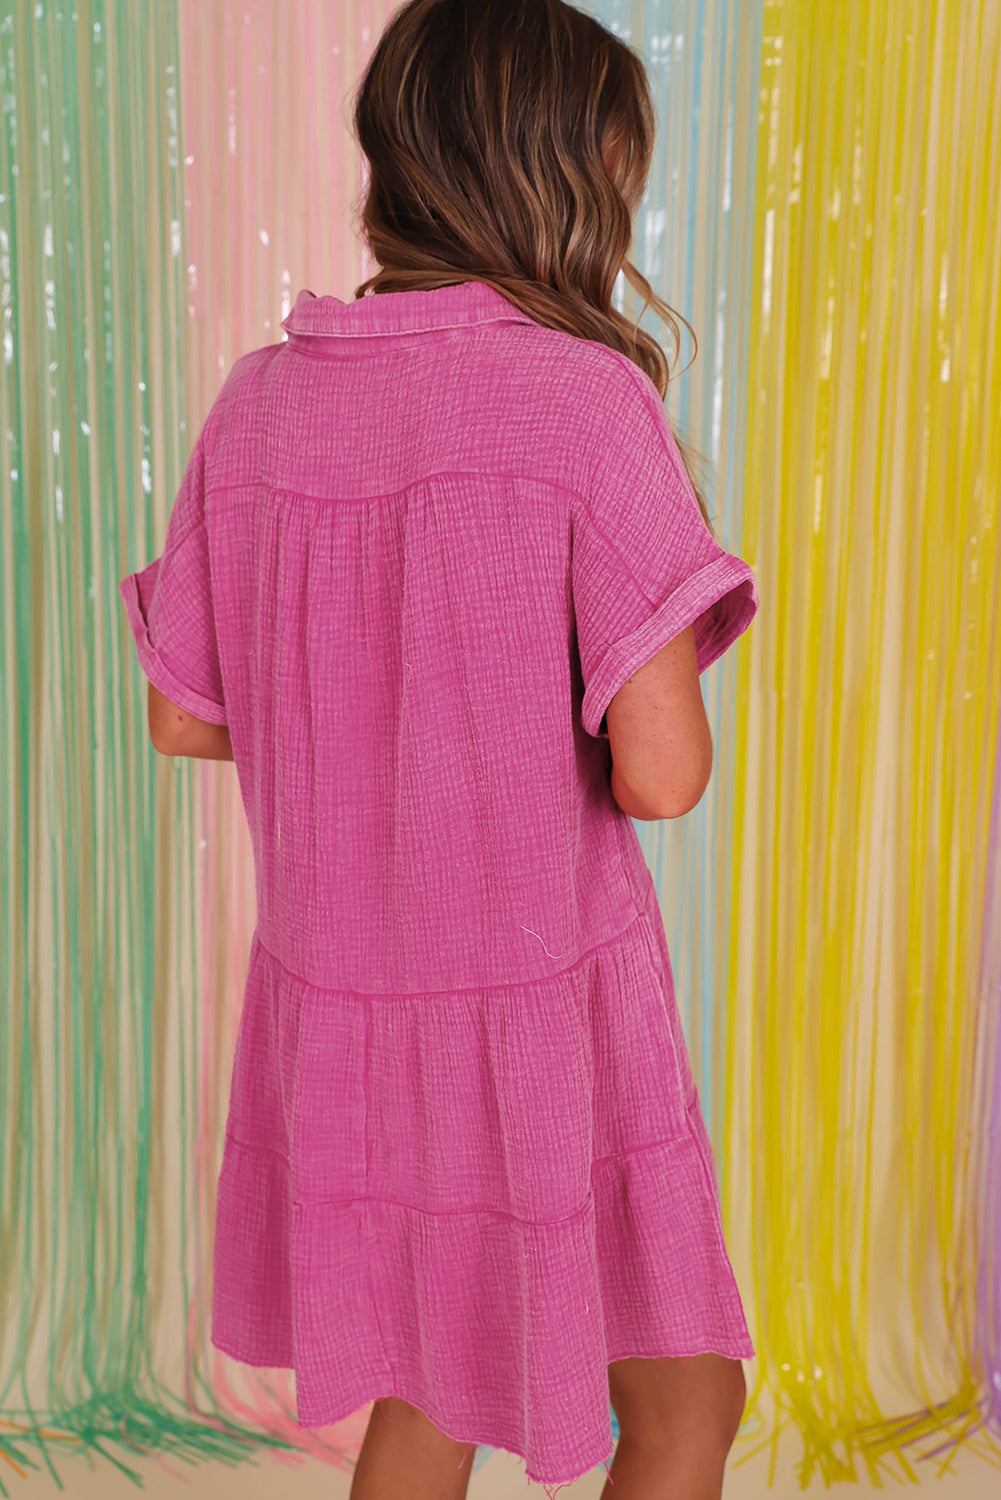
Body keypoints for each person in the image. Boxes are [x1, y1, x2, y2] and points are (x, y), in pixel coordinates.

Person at [118, 1, 760, 1496]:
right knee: (686, 1404)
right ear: (564, 171)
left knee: (429, 1392)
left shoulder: (258, 404)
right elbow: (662, 774)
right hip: (542, 1016)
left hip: (343, 1014)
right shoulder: (584, 401)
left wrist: (374, 727)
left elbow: (183, 711)